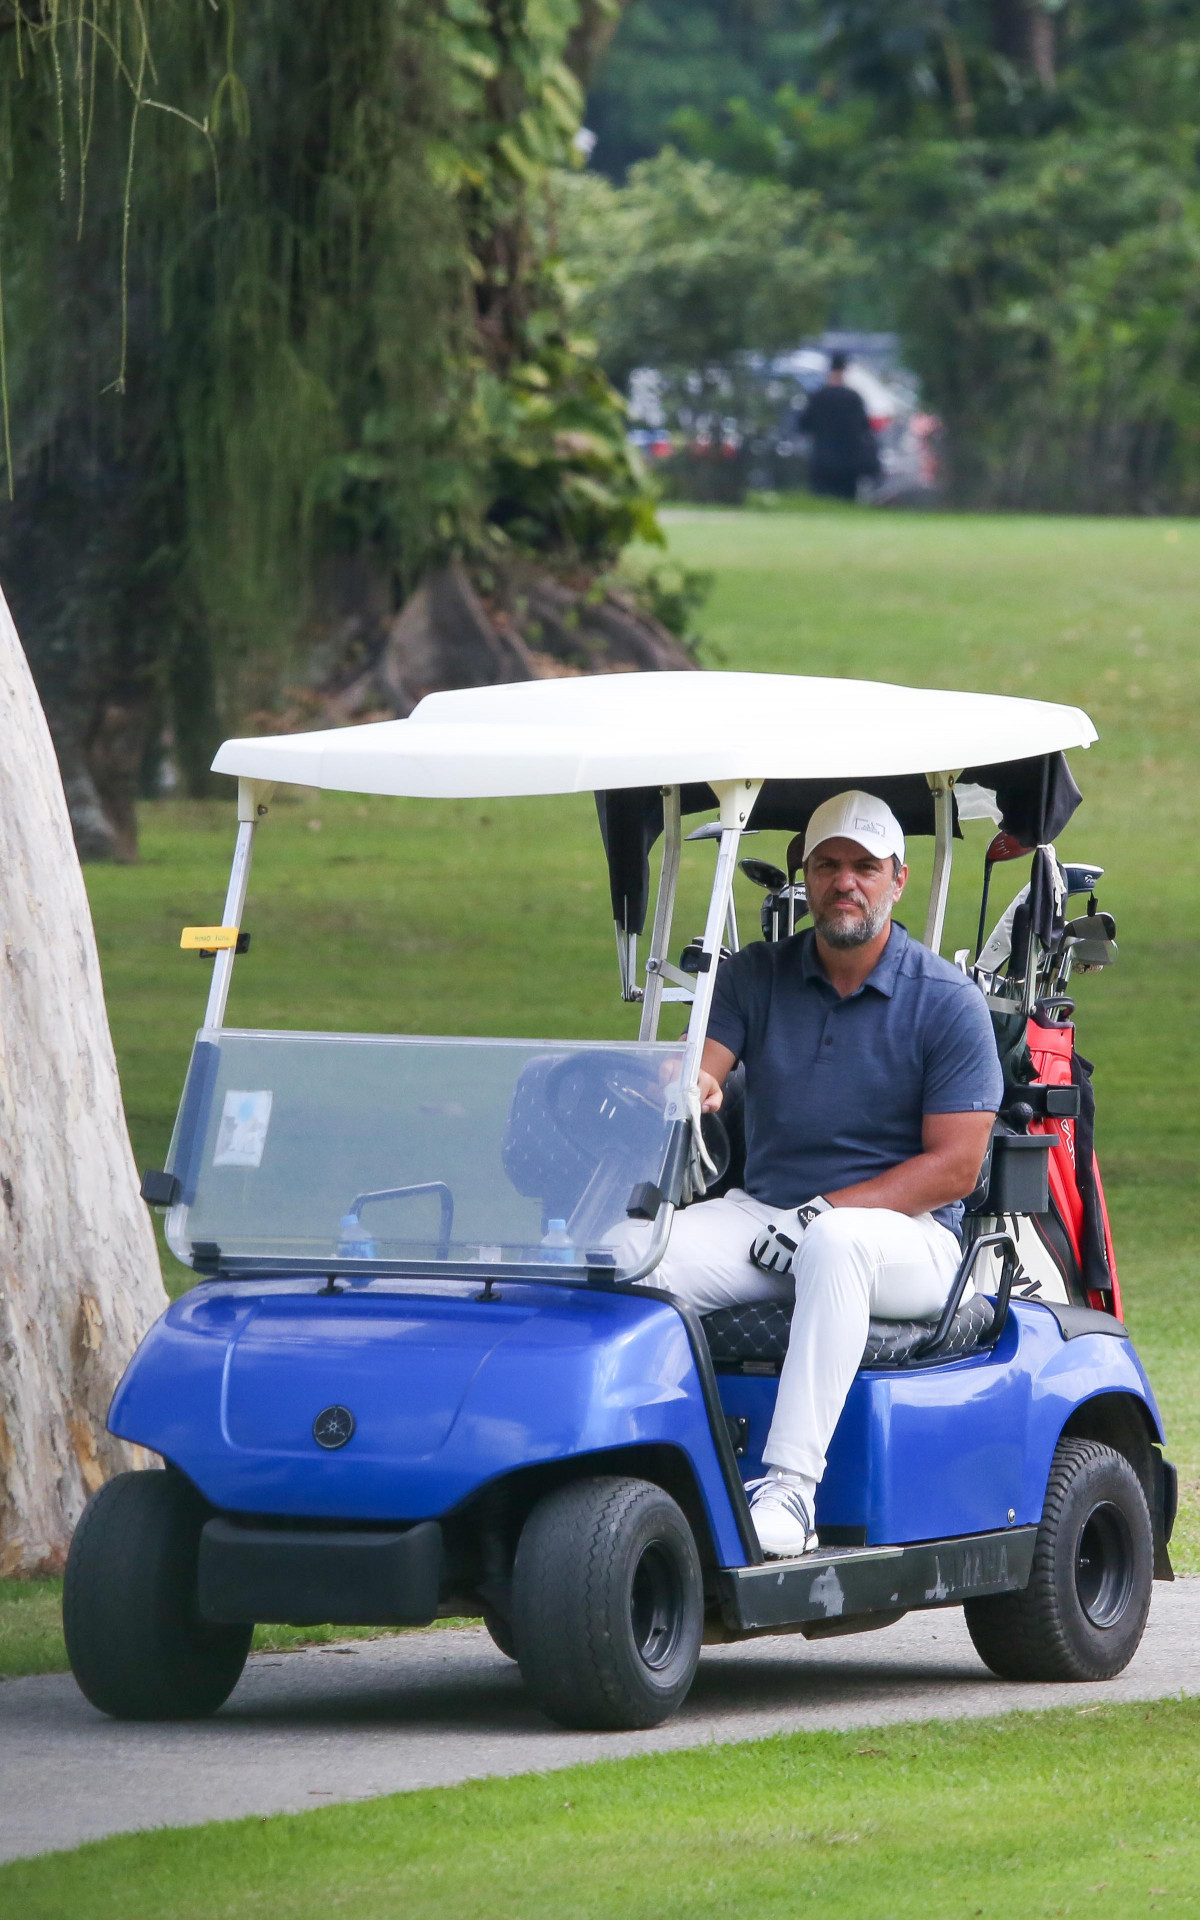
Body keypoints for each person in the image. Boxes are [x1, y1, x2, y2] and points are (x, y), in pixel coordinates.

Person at [636, 790, 1002, 1558]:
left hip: (910, 1240)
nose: (846, 882)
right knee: (634, 1254)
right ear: (805, 873)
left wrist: (824, 1211)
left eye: (865, 866)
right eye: (829, 864)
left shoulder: (946, 999)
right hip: (769, 1217)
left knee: (836, 1245)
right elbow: (707, 1065)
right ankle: (642, 1471)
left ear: (898, 879)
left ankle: (790, 1492)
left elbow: (956, 1168)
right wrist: (693, 1082)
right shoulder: (756, 974)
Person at [796, 351, 878, 501]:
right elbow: (865, 427)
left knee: (821, 501)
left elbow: (803, 425)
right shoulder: (853, 398)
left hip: (822, 460)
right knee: (846, 501)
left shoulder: (818, 397)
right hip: (848, 462)